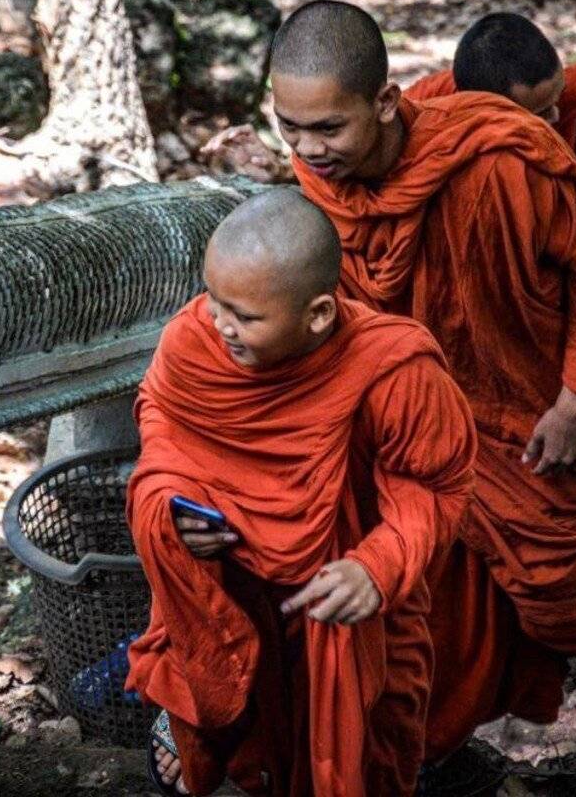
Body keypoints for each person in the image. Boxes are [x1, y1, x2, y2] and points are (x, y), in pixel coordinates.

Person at [271, 0, 576, 779]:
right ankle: (415, 751)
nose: (309, 152)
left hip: (535, 420)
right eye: (292, 129)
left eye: (329, 130)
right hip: (420, 426)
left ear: (386, 104)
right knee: (422, 592)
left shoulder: (503, 157)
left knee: (554, 598)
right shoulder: (320, 185)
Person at [125, 189, 480, 796]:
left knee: (366, 747)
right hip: (236, 587)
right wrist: (173, 502)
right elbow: (160, 413)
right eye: (214, 298)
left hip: (346, 596)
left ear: (317, 314)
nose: (218, 323)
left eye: (245, 316)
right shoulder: (194, 338)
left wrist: (377, 567)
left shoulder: (392, 369)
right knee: (246, 724)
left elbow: (432, 485)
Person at [407, 12, 576, 298]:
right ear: (484, 113)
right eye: (540, 113)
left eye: (558, 96)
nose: (556, 116)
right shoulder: (428, 115)